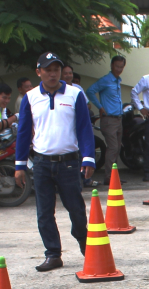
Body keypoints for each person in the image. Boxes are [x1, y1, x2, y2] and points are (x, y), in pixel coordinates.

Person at [14, 52, 96, 272]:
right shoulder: (30, 97)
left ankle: (85, 244)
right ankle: (53, 254)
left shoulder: (74, 94)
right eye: (48, 70)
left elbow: (84, 128)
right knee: (44, 211)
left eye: (56, 70)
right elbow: (23, 133)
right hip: (41, 163)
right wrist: (20, 165)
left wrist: (88, 159)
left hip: (69, 163)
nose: (53, 74)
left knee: (76, 209)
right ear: (38, 71)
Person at [87, 55, 127, 184]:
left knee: (117, 148)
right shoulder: (106, 80)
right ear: (111, 66)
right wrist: (100, 107)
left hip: (118, 119)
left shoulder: (117, 80)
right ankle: (108, 177)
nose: (119, 69)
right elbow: (90, 91)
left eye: (121, 67)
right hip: (109, 119)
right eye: (117, 66)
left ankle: (114, 176)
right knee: (113, 147)